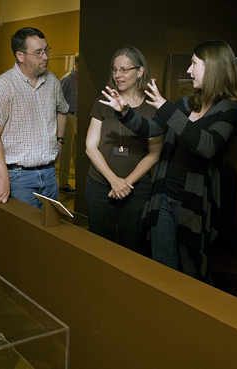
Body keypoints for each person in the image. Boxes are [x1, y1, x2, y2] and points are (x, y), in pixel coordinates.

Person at [100, 40, 237, 282]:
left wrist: (166, 107)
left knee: (191, 271)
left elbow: (207, 145)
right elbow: (151, 128)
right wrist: (125, 112)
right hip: (165, 196)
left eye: (194, 64)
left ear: (214, 68)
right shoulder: (188, 103)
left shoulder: (229, 109)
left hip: (193, 204)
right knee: (161, 267)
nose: (188, 70)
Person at [85, 47, 163, 253]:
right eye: (114, 70)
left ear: (140, 71)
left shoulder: (153, 106)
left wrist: (126, 183)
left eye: (124, 70)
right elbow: (90, 147)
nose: (118, 75)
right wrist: (113, 180)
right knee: (99, 246)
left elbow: (155, 153)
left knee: (133, 247)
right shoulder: (104, 102)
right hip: (100, 186)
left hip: (136, 190)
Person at [0, 27, 69, 209]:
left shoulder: (53, 81)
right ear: (20, 56)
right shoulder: (2, 86)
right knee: (25, 234)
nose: (45, 57)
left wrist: (59, 141)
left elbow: (62, 110)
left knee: (50, 231)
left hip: (49, 174)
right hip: (19, 178)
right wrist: (3, 178)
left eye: (46, 50)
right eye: (38, 53)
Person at [58, 56, 79, 194]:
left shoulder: (82, 80)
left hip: (79, 117)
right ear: (76, 64)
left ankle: (80, 181)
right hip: (69, 116)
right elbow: (58, 100)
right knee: (66, 152)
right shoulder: (67, 79)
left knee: (78, 152)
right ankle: (63, 183)